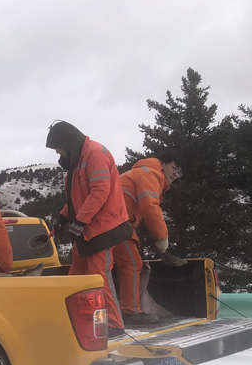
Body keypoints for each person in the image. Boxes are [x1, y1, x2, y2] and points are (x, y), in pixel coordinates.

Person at [46, 120, 132, 335]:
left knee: (98, 277)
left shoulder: (94, 154)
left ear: (68, 142)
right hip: (89, 228)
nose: (58, 153)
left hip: (103, 227)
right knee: (77, 276)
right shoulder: (78, 159)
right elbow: (79, 196)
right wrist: (64, 216)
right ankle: (76, 319)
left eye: (58, 148)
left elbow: (100, 191)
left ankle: (114, 324)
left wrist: (80, 221)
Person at [113, 152, 186, 325]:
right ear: (164, 163)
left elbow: (141, 211)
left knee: (93, 268)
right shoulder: (151, 174)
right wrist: (162, 242)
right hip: (116, 223)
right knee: (132, 264)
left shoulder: (140, 173)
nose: (175, 174)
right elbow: (150, 208)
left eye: (180, 173)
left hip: (112, 223)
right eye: (175, 168)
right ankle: (129, 313)